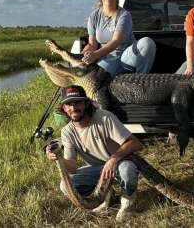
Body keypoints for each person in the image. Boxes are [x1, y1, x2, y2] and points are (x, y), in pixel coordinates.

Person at [46, 85, 142, 221]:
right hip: (98, 171)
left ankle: (127, 203)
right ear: (64, 108)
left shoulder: (105, 118)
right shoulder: (67, 131)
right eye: (69, 104)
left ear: (86, 103)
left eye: (78, 102)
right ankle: (105, 194)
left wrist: (113, 159)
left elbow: (135, 143)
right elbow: (72, 168)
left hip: (119, 164)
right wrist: (58, 159)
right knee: (65, 186)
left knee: (127, 169)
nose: (73, 108)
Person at [82, 0, 156, 76]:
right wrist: (80, 58)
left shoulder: (124, 15)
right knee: (95, 76)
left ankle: (141, 80)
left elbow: (116, 41)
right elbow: (92, 44)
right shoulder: (94, 16)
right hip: (108, 59)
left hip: (127, 58)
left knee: (147, 42)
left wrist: (96, 55)